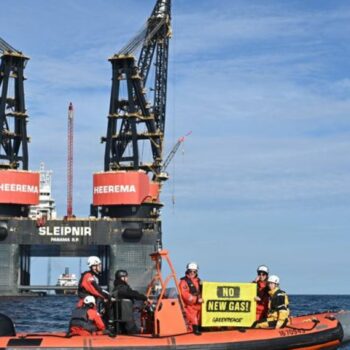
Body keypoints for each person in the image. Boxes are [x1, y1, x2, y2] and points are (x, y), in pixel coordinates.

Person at [112, 269, 150, 334]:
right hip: (128, 323)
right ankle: (140, 328)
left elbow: (132, 293)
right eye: (126, 277)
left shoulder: (116, 289)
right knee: (137, 308)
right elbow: (132, 293)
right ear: (122, 278)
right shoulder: (122, 289)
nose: (127, 279)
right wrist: (144, 298)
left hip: (122, 321)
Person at [179, 262, 203, 335]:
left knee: (199, 320)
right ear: (187, 271)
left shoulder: (199, 281)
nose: (192, 273)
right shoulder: (183, 282)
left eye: (194, 271)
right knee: (193, 320)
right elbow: (185, 295)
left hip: (199, 306)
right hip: (190, 307)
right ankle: (192, 333)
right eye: (190, 271)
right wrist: (196, 299)